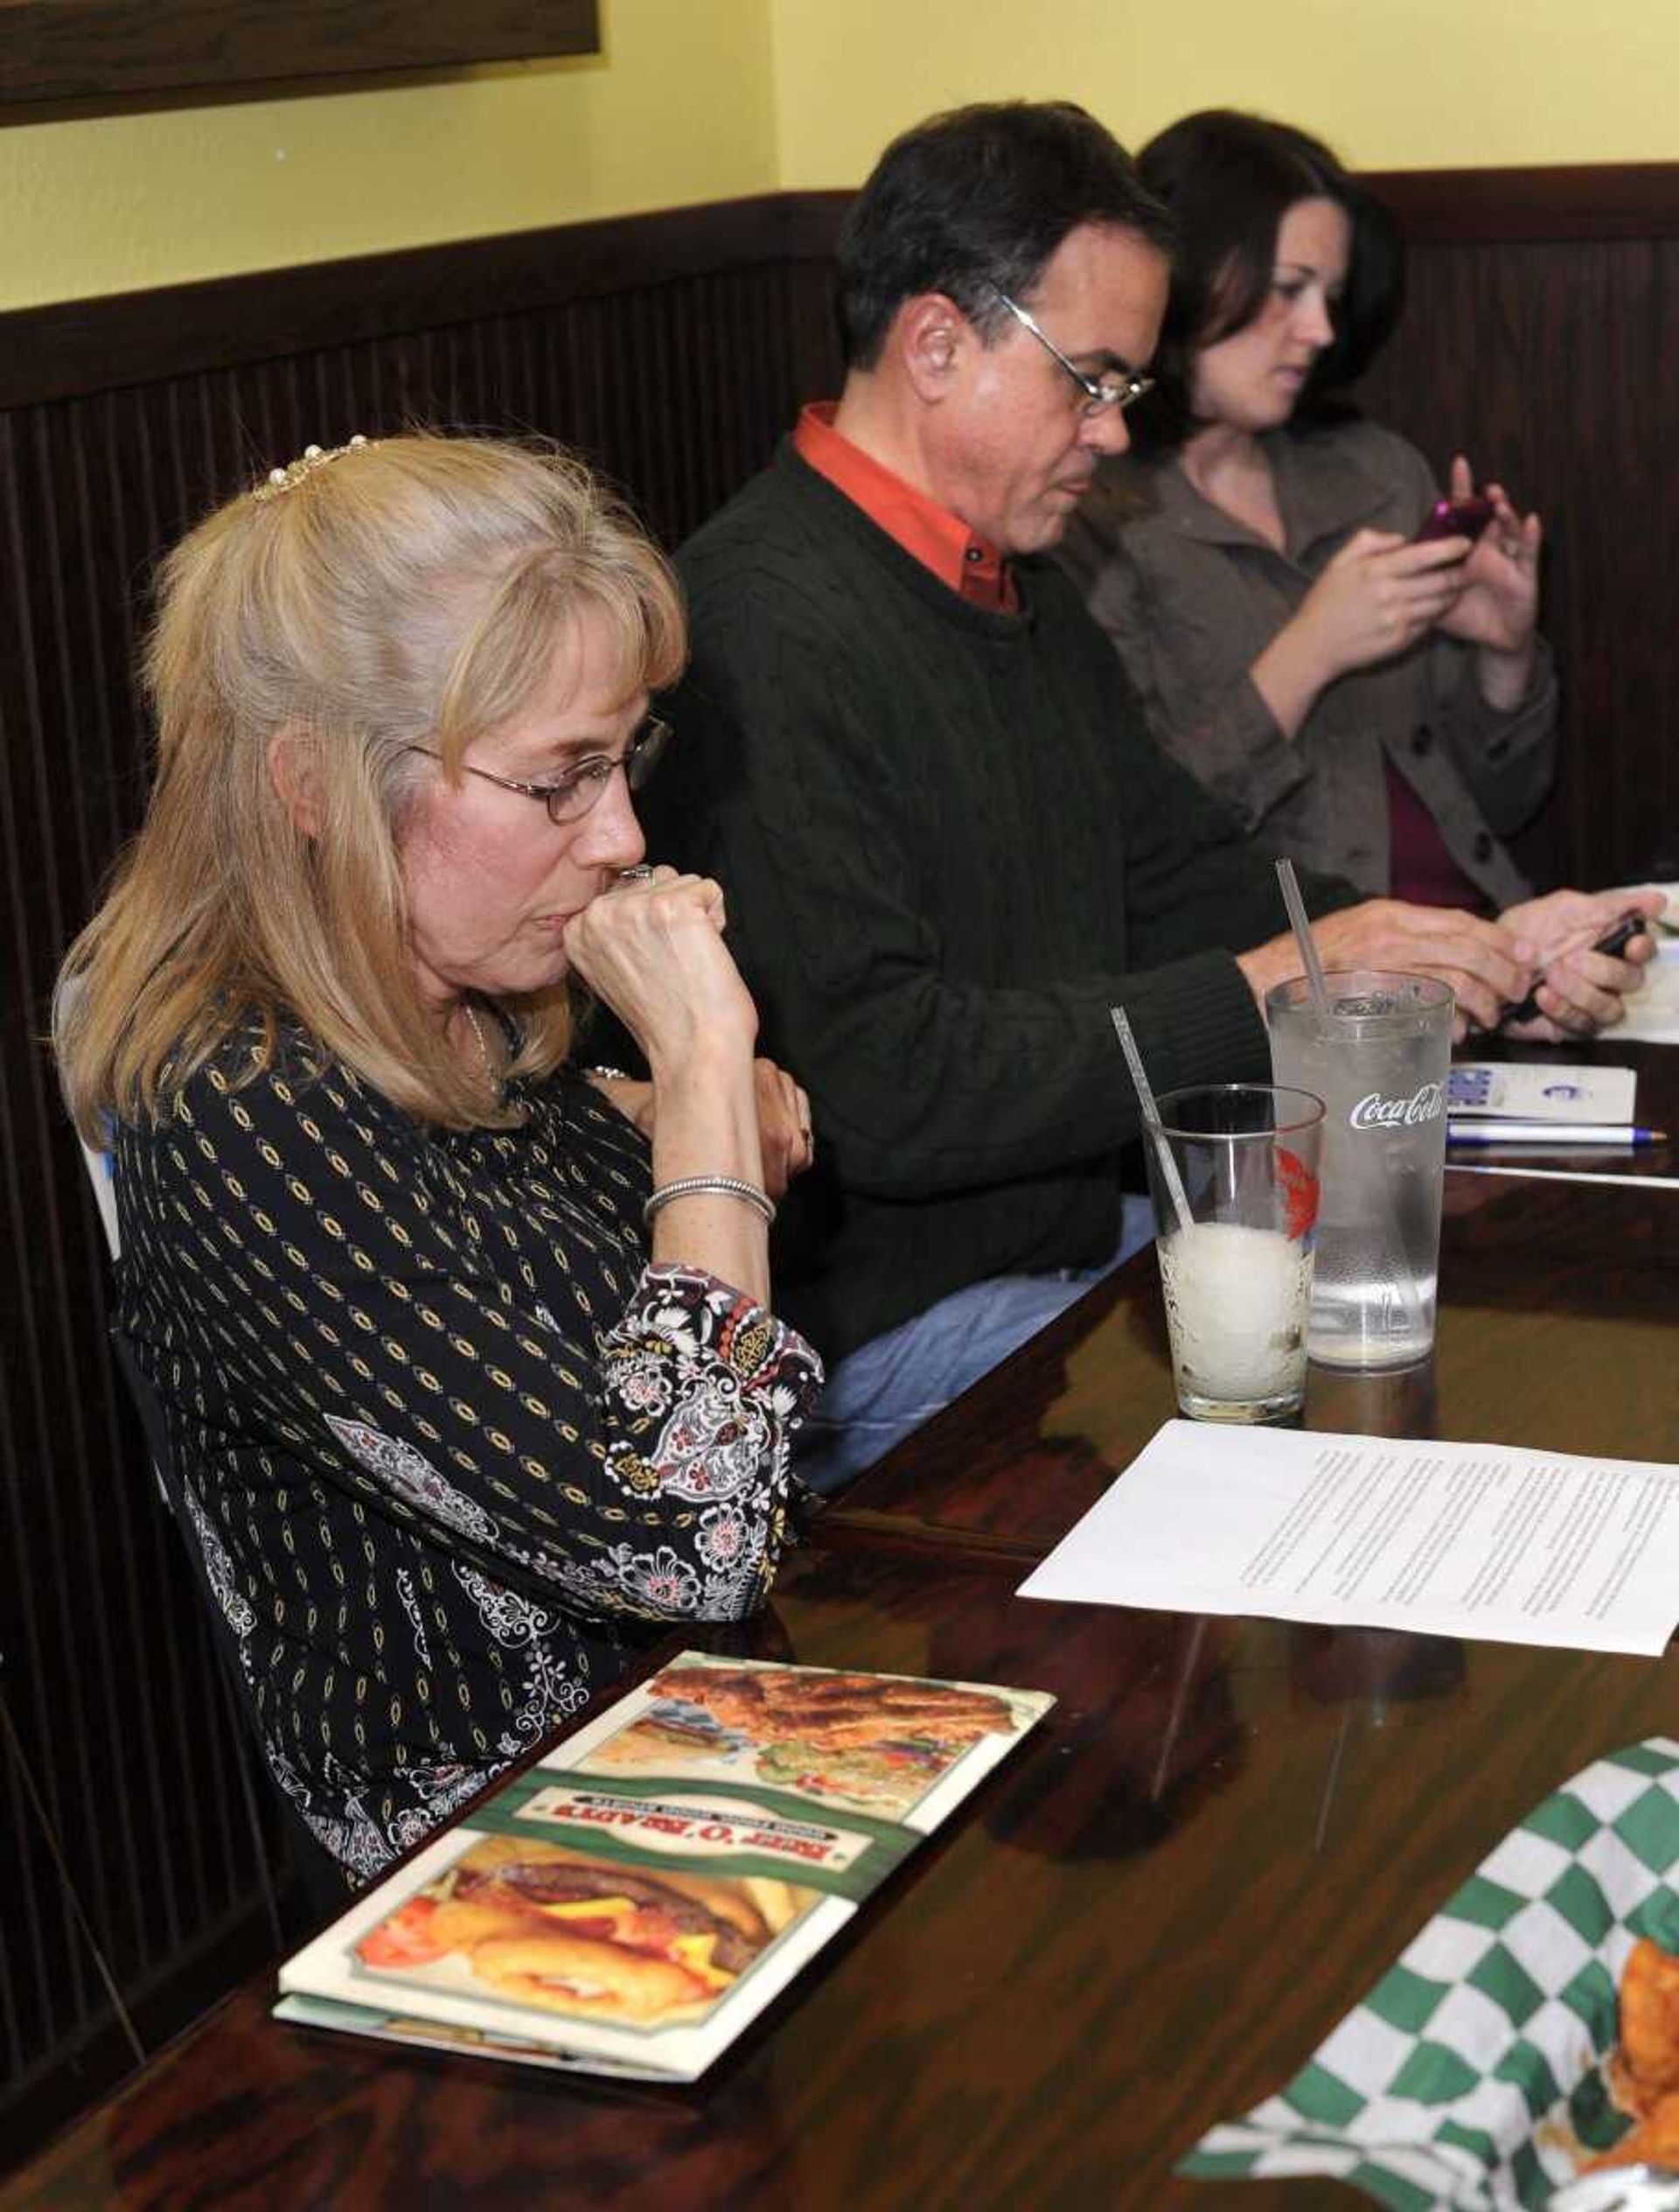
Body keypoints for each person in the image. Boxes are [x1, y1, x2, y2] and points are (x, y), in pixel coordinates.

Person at [641, 101, 1660, 1496]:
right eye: (1094, 380)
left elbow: (1196, 874)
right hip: (884, 1340)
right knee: (1368, 1442)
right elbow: (891, 1090)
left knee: (1471, 1352)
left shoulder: (1018, 592)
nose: (1116, 435)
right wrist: (1274, 980)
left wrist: (1454, 955)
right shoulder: (757, 627)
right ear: (938, 344)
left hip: (1078, 1256)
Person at [53, 433, 823, 1885]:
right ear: (316, 784)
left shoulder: (478, 994)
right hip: (492, 1856)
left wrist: (679, 1136)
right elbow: (695, 1533)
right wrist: (707, 1077)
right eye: (558, 781)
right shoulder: (235, 1105)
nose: (623, 833)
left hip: (691, 1728)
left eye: (624, 756)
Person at [1057, 108, 1557, 910]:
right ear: (1189, 279)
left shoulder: (1381, 472)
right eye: (1288, 291)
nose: (1319, 330)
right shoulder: (1084, 517)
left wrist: (1505, 658)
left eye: (1329, 296)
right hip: (1302, 984)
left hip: (1489, 934)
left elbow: (1503, 807)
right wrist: (1309, 653)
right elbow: (1132, 845)